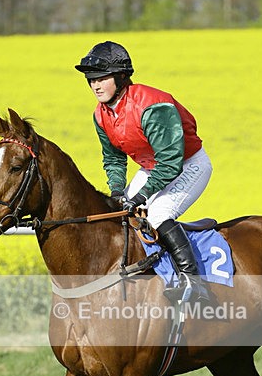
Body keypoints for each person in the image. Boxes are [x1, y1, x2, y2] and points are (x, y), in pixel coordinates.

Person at [75, 40, 213, 303]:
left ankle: (193, 282)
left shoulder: (152, 106)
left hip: (188, 164)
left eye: (102, 78)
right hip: (153, 168)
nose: (95, 85)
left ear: (121, 77)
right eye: (91, 79)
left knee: (159, 213)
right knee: (119, 214)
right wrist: (117, 191)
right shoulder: (101, 114)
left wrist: (141, 196)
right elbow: (114, 160)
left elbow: (171, 163)